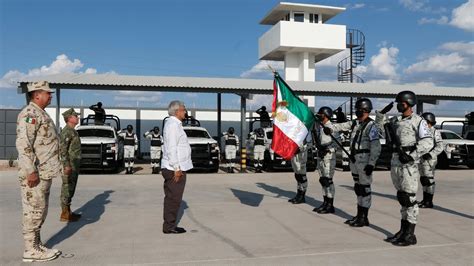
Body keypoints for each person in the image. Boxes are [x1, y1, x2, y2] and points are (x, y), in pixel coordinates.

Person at [376, 91, 433, 246]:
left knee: (409, 198)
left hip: (408, 162)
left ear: (408, 103)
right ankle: (403, 230)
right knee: (402, 197)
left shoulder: (418, 121)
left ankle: (410, 234)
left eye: (400, 103)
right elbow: (380, 131)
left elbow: (428, 141)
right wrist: (381, 115)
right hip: (396, 161)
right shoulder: (395, 120)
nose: (398, 105)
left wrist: (412, 156)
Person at [16, 81, 62, 262]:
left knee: (40, 210)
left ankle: (36, 244)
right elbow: (23, 144)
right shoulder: (30, 114)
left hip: (45, 172)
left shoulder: (40, 113)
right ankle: (30, 250)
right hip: (36, 173)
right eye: (47, 93)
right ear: (37, 95)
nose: (50, 96)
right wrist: (30, 171)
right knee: (33, 210)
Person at [329, 99, 381, 226]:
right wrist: (327, 126)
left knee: (364, 189)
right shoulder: (355, 123)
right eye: (356, 109)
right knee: (358, 188)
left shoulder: (371, 126)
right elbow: (340, 126)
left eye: (359, 110)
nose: (357, 112)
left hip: (365, 161)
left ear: (366, 110)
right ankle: (359, 215)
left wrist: (371, 164)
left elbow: (376, 147)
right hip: (354, 160)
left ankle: (364, 217)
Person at [161, 100, 193, 234]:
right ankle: (169, 226)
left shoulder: (175, 125)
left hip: (176, 166)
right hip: (174, 168)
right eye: (183, 109)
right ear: (176, 111)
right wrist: (177, 168)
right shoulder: (173, 125)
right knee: (173, 199)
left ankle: (170, 225)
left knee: (173, 198)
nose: (185, 112)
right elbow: (171, 148)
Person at [313, 107, 339, 214]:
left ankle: (330, 205)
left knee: (328, 181)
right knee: (323, 180)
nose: (319, 115)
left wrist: (328, 149)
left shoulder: (332, 127)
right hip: (321, 156)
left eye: (320, 114)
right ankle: (325, 202)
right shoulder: (319, 126)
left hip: (328, 156)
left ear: (326, 115)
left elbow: (337, 143)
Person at [59, 108, 82, 222]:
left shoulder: (73, 131)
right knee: (67, 188)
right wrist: (66, 165)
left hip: (74, 164)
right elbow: (63, 150)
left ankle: (68, 211)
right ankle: (64, 213)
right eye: (75, 116)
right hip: (70, 164)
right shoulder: (67, 131)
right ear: (69, 118)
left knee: (71, 188)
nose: (77, 117)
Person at [418, 112, 444, 208]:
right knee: (423, 180)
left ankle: (429, 201)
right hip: (421, 159)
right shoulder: (421, 131)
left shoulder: (434, 131)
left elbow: (440, 146)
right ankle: (425, 200)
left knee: (429, 181)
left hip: (429, 160)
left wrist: (430, 154)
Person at [288, 133, 312, 204]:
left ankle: (302, 195)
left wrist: (300, 149)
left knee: (302, 176)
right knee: (297, 175)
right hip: (294, 155)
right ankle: (298, 194)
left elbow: (310, 144)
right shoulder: (294, 131)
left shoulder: (306, 131)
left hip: (302, 155)